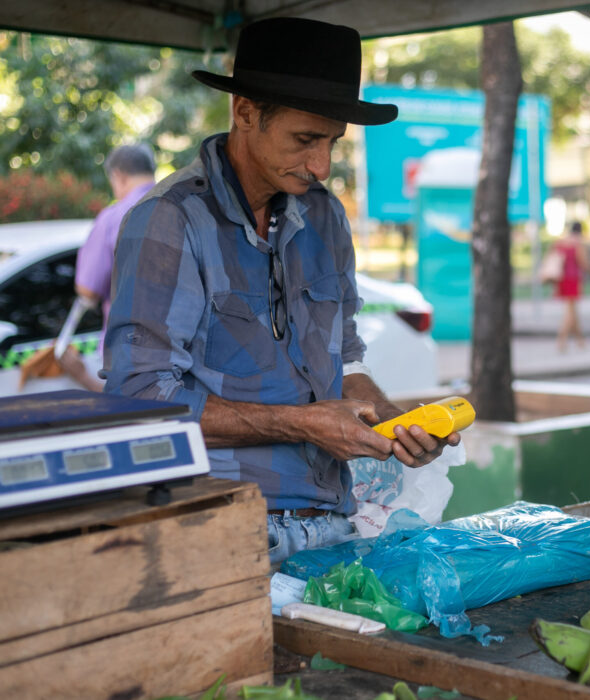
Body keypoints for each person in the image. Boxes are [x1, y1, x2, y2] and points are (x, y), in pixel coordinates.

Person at [103, 18, 459, 564]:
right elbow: (139, 400)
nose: (322, 165)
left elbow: (344, 358)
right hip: (220, 528)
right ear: (245, 111)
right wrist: (303, 424)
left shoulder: (325, 215)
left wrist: (392, 421)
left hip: (335, 521)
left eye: (333, 141)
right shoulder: (169, 221)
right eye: (305, 139)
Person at [57, 144, 156, 392]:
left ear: (118, 176)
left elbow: (87, 291)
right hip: (186, 352)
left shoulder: (114, 218)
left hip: (130, 354)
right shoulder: (186, 210)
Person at [551, 221, 590, 352]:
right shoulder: (577, 244)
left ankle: (580, 341)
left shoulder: (561, 242)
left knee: (573, 311)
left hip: (561, 279)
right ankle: (561, 341)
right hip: (573, 279)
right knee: (570, 312)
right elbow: (583, 263)